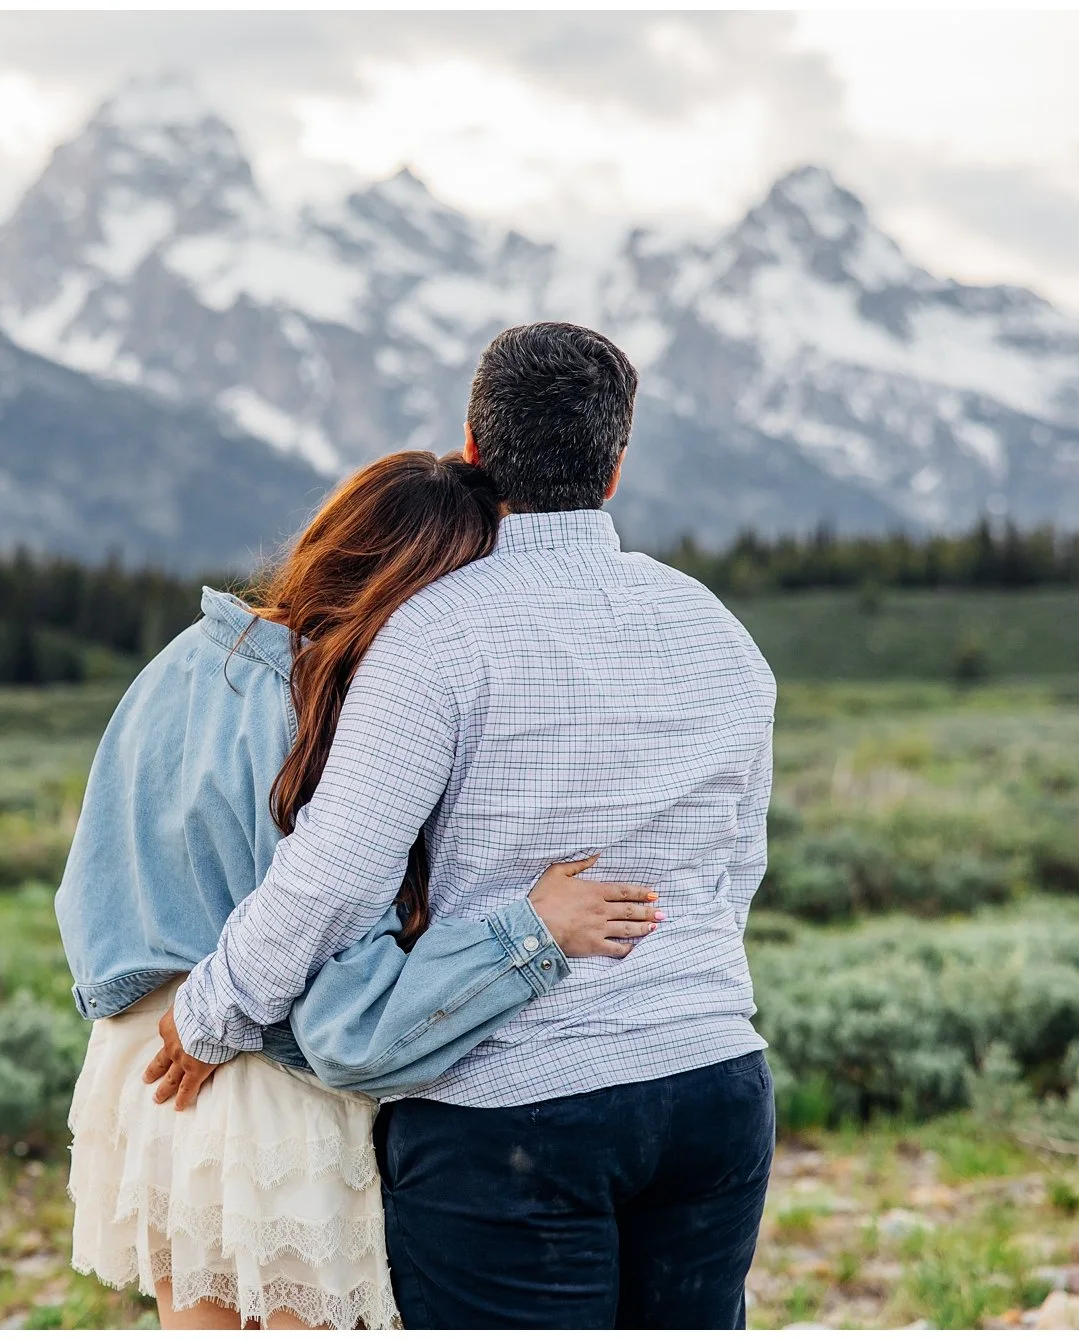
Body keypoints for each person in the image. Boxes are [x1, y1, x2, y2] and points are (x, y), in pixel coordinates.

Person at [157, 323, 779, 1329]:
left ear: (474, 446)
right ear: (615, 465)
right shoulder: (714, 626)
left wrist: (209, 1012)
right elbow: (734, 869)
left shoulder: (435, 634)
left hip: (511, 1110)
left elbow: (334, 875)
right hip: (712, 1083)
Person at [56, 450, 666, 1329]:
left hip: (137, 1071)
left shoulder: (186, 660)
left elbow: (93, 890)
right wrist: (530, 934)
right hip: (269, 1094)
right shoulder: (328, 716)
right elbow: (348, 995)